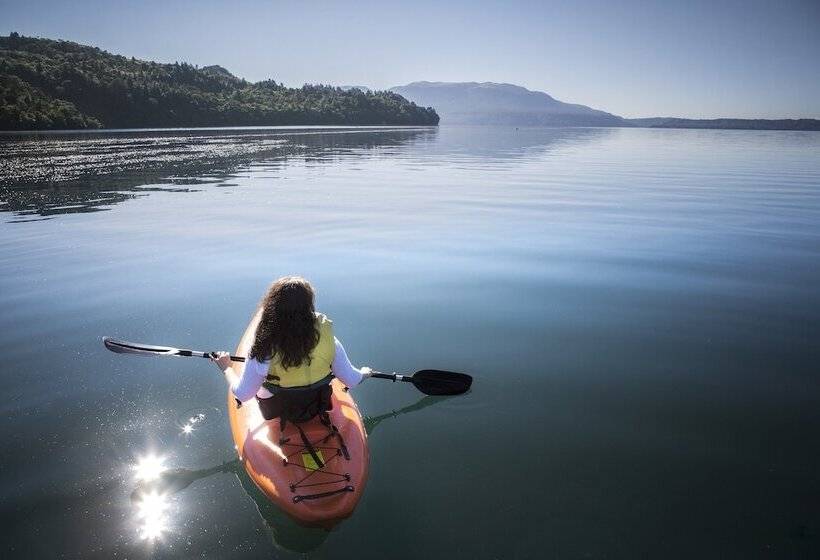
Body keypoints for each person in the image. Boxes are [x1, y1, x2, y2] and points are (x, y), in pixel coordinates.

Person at [210, 276, 372, 425]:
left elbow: (243, 395)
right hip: (317, 404)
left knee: (260, 379)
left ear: (272, 306)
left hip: (277, 409)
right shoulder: (329, 340)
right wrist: (365, 373)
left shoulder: (263, 348)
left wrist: (227, 368)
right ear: (308, 305)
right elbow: (352, 380)